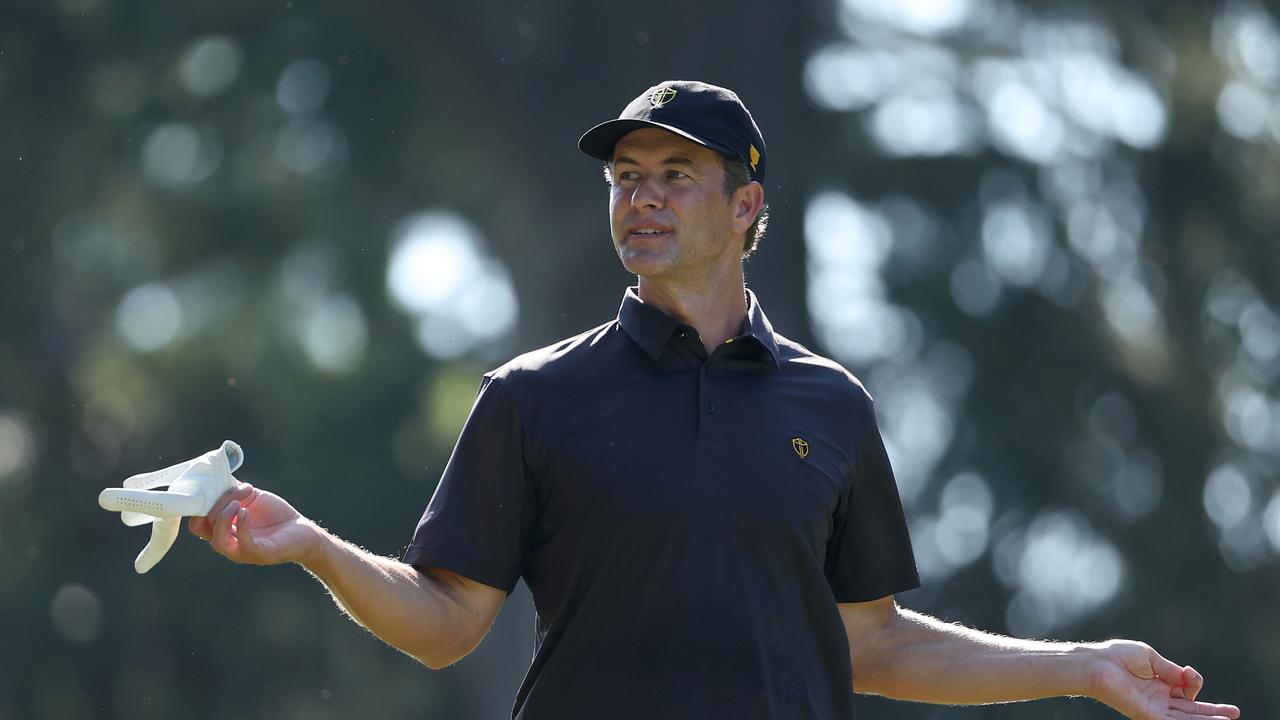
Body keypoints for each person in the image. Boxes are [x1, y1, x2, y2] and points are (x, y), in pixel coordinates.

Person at [190, 80, 1241, 720]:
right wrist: (317, 546)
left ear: (745, 206)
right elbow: (447, 622)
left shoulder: (829, 408)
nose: (639, 195)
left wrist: (1078, 665)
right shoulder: (532, 397)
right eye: (623, 178)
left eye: (672, 174)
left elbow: (868, 644)